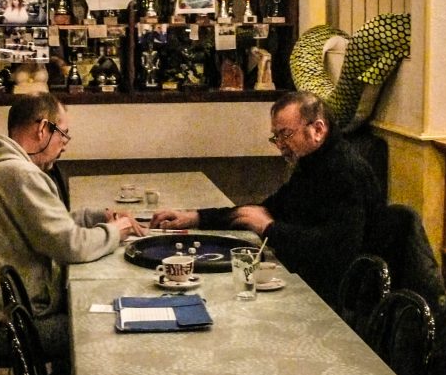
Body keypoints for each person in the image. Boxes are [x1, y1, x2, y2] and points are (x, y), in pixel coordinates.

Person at [0, 92, 144, 375]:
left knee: (83, 310)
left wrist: (97, 217)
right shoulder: (17, 174)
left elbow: (48, 227)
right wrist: (116, 231)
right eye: (63, 134)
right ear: (42, 129)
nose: (64, 145)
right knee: (96, 326)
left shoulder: (5, 167)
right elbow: (70, 246)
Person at [150, 91, 384, 309]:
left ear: (318, 130)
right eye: (276, 136)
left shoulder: (346, 172)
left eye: (286, 134)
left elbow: (335, 250)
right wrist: (195, 217)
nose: (281, 145)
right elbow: (267, 209)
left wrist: (269, 228)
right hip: (309, 281)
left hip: (339, 299)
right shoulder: (313, 163)